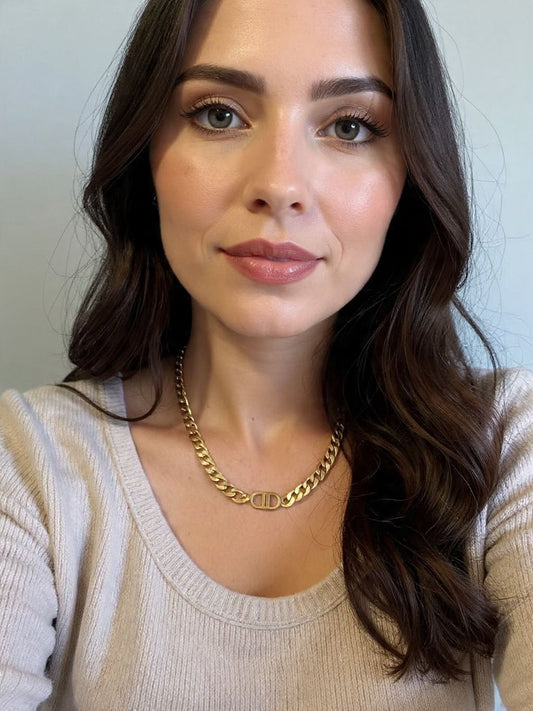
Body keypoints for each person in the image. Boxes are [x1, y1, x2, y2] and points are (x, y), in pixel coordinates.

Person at [0, 0, 532, 708]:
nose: (279, 185)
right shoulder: (29, 465)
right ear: (145, 151)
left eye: (349, 126)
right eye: (219, 114)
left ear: (409, 175)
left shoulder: (502, 447)